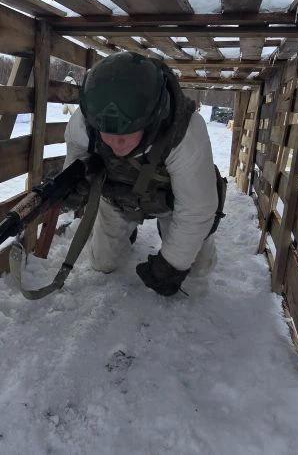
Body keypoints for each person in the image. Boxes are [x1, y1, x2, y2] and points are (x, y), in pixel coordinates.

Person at [62, 51, 226, 297]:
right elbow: (75, 162)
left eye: (126, 134)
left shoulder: (185, 132)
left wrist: (172, 263)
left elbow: (196, 208)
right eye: (107, 133)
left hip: (171, 204)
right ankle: (129, 232)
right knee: (101, 263)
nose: (116, 145)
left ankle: (169, 230)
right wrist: (74, 185)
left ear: (152, 119)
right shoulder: (86, 121)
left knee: (198, 268)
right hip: (117, 198)